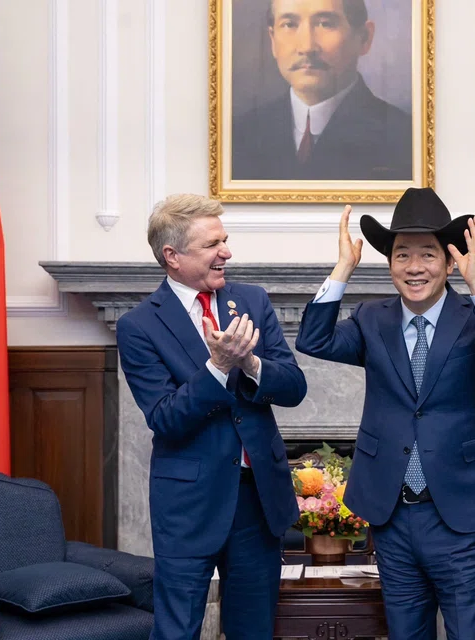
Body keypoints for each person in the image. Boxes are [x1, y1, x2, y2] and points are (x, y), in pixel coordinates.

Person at [295, 187, 475, 639]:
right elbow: (313, 340)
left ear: (448, 261)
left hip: (462, 512)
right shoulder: (371, 318)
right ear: (389, 264)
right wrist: (343, 268)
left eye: (428, 254)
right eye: (402, 255)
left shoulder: (473, 316)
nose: (414, 267)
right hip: (393, 514)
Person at [116, 193, 306, 639]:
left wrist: (251, 365)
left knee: (253, 630)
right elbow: (165, 418)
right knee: (178, 630)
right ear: (173, 256)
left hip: (256, 500)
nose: (227, 252)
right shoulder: (139, 326)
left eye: (225, 240)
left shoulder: (252, 301)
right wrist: (218, 367)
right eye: (212, 244)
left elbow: (294, 388)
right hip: (189, 505)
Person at [232, 0, 412, 181]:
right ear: (272, 39)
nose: (307, 47)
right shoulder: (239, 136)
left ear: (364, 38)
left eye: (325, 24)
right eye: (289, 25)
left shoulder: (404, 139)